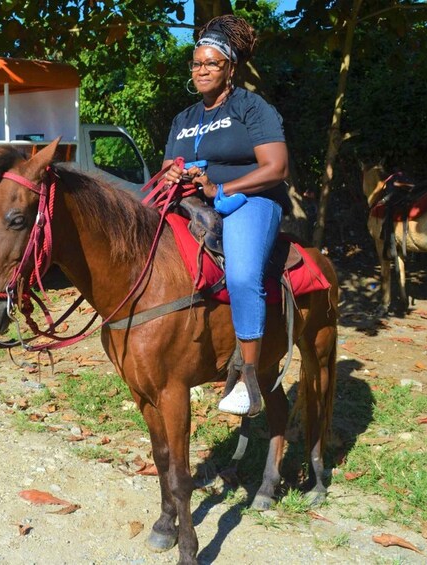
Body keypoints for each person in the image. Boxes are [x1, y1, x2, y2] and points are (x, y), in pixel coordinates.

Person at [161, 15, 290, 417]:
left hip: (249, 200)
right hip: (190, 202)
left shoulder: (252, 107)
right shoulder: (183, 119)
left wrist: (221, 188)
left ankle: (247, 376)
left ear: (230, 67)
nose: (202, 70)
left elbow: (276, 167)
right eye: (197, 63)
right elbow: (166, 167)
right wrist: (173, 174)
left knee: (241, 274)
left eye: (211, 63)